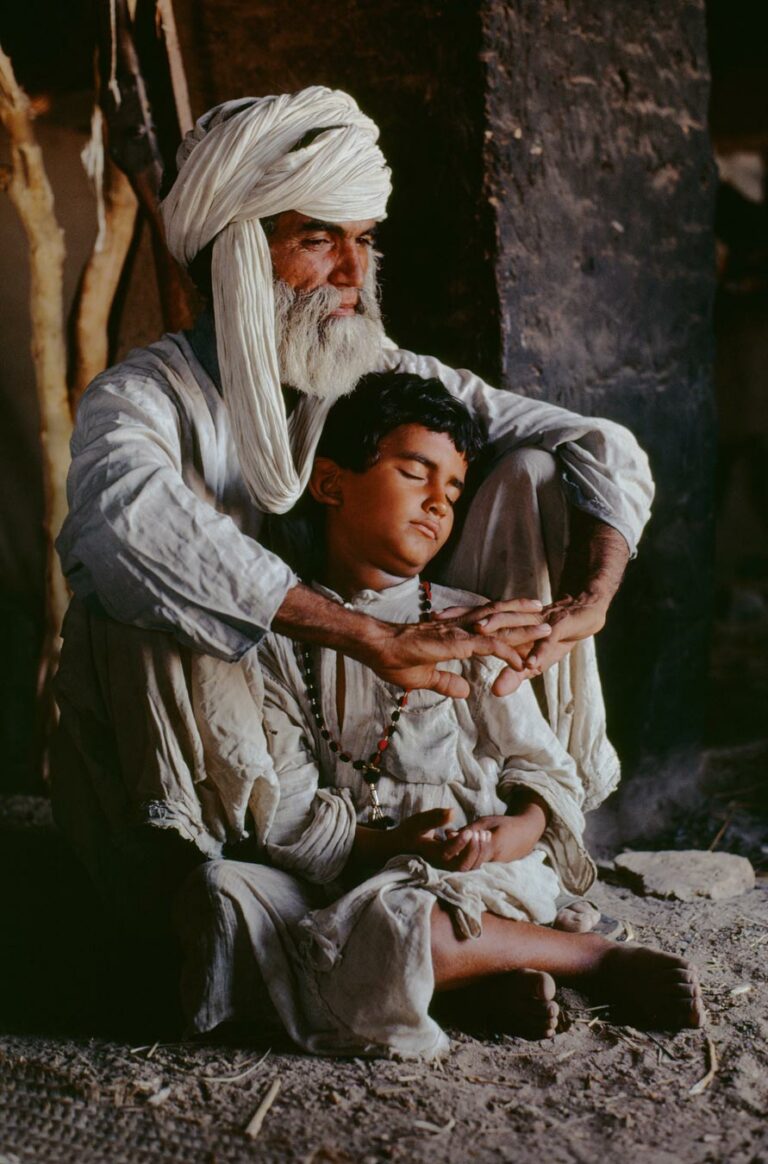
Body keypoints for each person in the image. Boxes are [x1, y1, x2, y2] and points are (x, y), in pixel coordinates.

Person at [51, 86, 652, 939]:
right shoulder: (142, 400)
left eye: (363, 240)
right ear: (233, 253)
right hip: (240, 750)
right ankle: (217, 881)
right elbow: (129, 522)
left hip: (370, 730)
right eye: (316, 239)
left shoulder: (370, 367)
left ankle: (498, 824)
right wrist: (370, 637)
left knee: (535, 470)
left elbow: (595, 442)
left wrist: (592, 595)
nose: (350, 275)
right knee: (133, 579)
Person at [175, 372, 702, 1057]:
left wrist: (510, 832)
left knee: (404, 921)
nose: (438, 502)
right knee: (219, 894)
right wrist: (388, 847)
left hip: (471, 879)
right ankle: (475, 980)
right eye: (415, 473)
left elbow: (543, 770)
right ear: (331, 484)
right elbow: (287, 814)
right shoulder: (281, 636)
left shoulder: (469, 620)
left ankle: (590, 959)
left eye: (454, 489)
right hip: (339, 882)